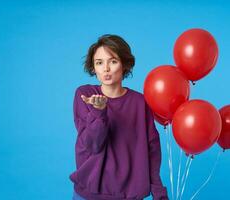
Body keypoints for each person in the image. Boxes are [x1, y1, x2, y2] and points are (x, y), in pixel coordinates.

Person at [70, 34, 169, 200]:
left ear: (124, 64)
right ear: (93, 67)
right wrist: (99, 111)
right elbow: (93, 145)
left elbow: (152, 150)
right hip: (89, 194)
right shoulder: (84, 95)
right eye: (99, 62)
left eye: (113, 61)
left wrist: (158, 192)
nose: (106, 68)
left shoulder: (140, 102)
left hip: (128, 195)